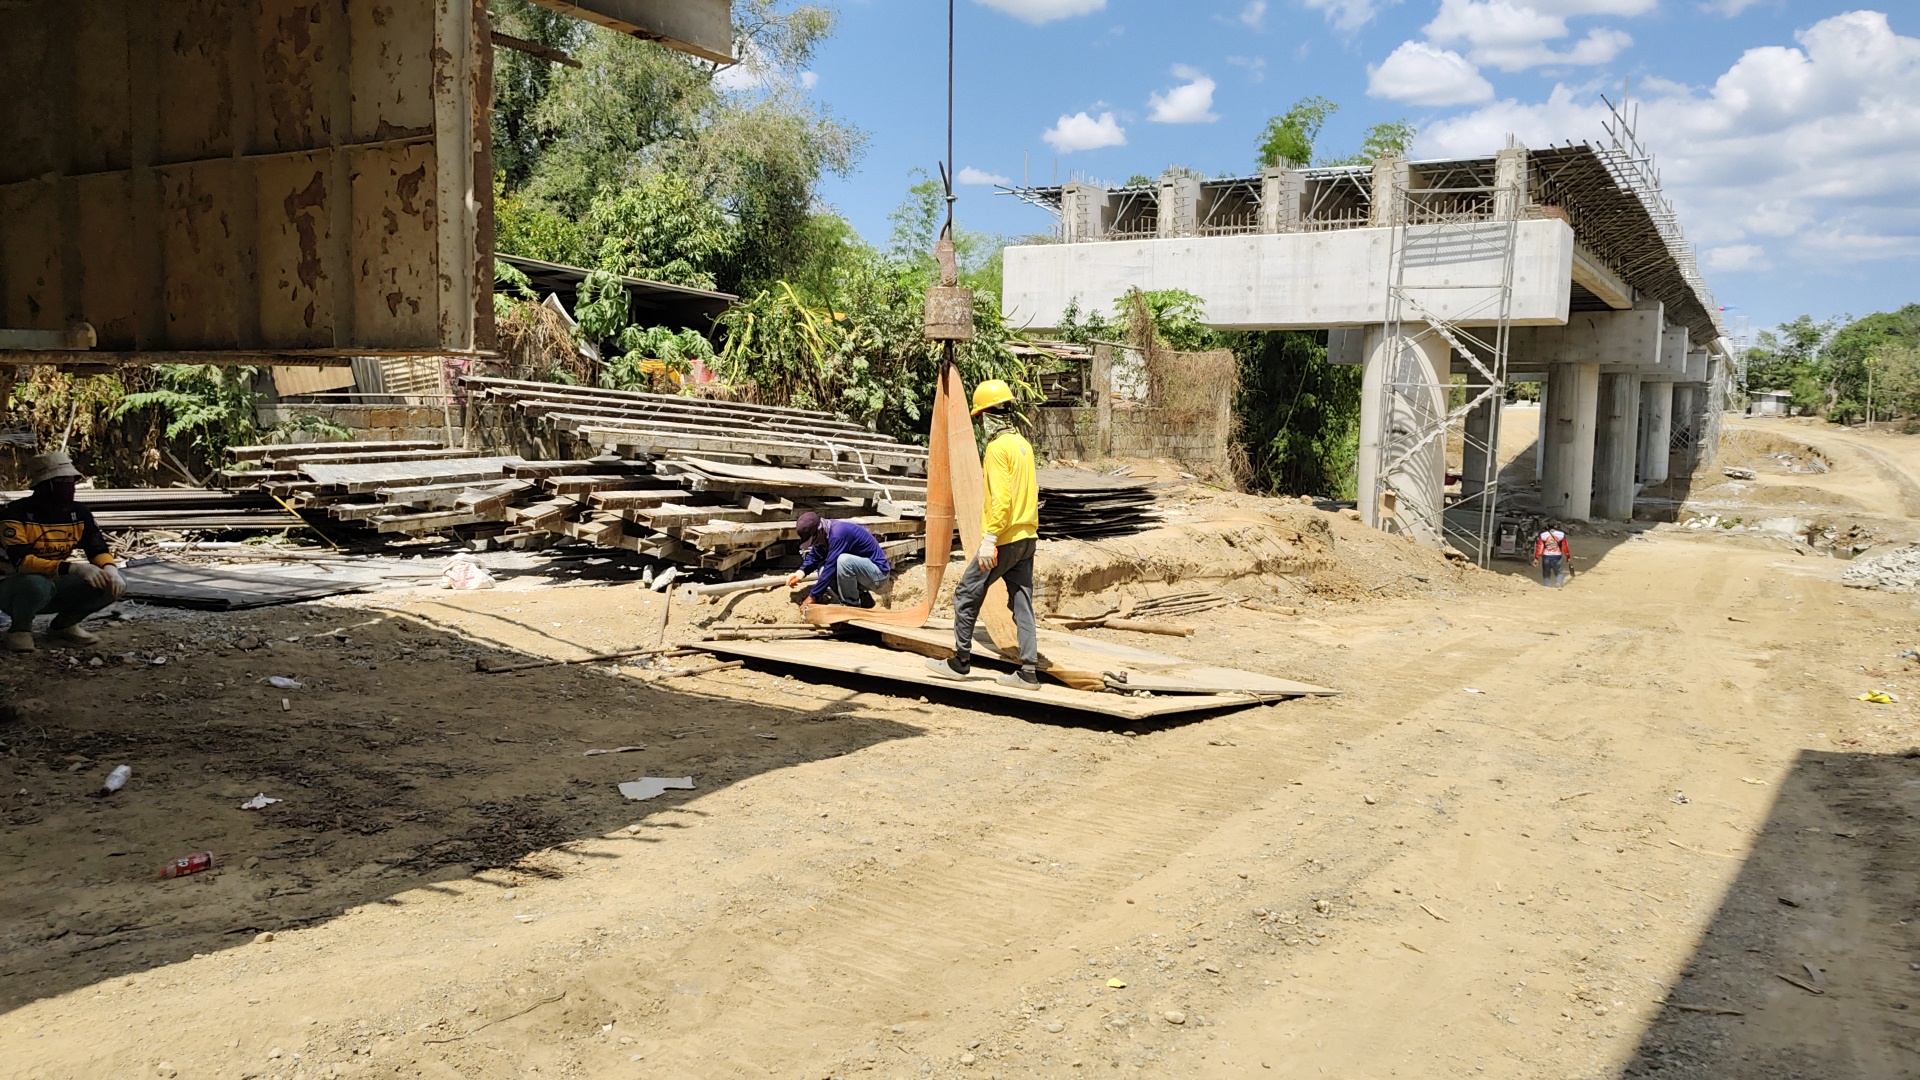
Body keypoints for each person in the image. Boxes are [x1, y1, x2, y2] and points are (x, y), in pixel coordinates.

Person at [926, 379, 1042, 691]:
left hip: (1003, 539)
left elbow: (1002, 500)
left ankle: (960, 662)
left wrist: (990, 538)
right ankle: (1028, 672)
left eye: (980, 417)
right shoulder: (1023, 445)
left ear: (989, 415)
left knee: (966, 594)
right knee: (1022, 602)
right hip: (1027, 537)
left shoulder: (996, 448)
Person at [1, 451, 125, 651]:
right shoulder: (14, 514)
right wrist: (74, 569)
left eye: (71, 480)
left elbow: (96, 547)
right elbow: (21, 561)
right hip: (11, 584)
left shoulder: (79, 513)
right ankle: (19, 630)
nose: (68, 486)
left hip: (53, 579)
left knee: (112, 582)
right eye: (61, 480)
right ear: (44, 484)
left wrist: (110, 568)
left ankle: (64, 625)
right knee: (36, 583)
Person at [787, 511, 892, 609]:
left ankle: (852, 605)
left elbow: (830, 568)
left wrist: (812, 597)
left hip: (878, 574)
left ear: (819, 531)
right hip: (862, 574)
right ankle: (863, 600)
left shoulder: (838, 534)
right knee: (823, 569)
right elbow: (816, 555)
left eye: (813, 541)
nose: (813, 544)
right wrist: (800, 572)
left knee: (843, 561)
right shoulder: (823, 535)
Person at [1533, 522, 1571, 588]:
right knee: (1559, 572)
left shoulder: (1543, 535)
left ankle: (1547, 585)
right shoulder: (1561, 535)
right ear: (1556, 526)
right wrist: (1568, 556)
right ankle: (1559, 582)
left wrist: (1536, 558)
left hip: (1546, 556)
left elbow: (1540, 547)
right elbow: (1565, 547)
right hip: (1557, 556)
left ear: (1547, 527)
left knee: (1546, 573)